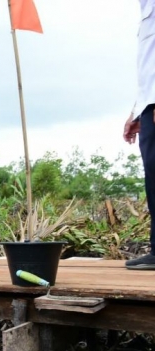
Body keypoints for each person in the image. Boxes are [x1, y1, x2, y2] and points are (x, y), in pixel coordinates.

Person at [123, 0, 155, 270]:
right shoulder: (146, 11)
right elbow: (148, 67)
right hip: (149, 104)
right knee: (153, 177)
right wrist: (137, 109)